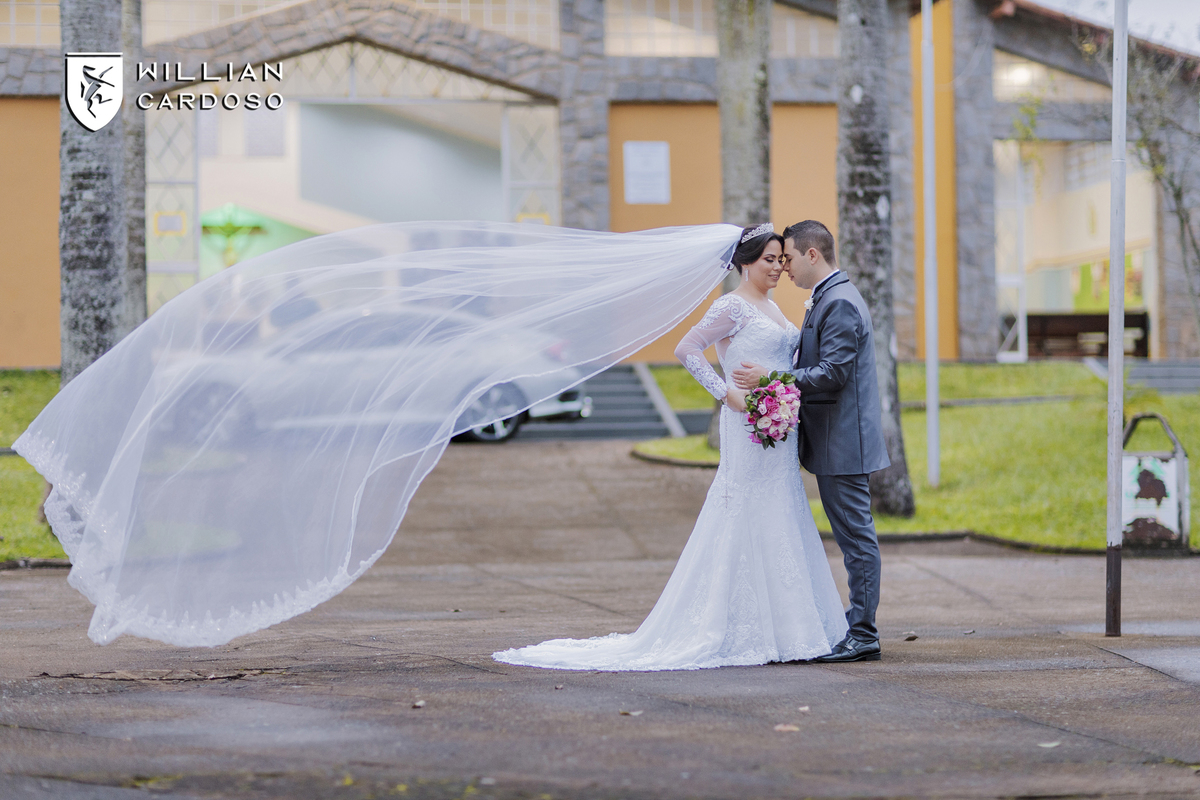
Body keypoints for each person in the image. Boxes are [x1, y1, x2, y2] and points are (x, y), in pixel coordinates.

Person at [493, 224, 848, 671]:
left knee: (782, 508)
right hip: (745, 424)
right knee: (744, 509)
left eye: (782, 259)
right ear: (744, 263)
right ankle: (736, 625)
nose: (778, 267)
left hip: (778, 426)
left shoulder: (775, 308)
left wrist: (782, 394)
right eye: (769, 260)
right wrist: (727, 394)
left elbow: (783, 360)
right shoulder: (731, 307)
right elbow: (687, 348)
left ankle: (792, 626)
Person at [731, 220, 890, 663]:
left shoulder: (838, 302)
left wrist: (771, 379)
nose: (786, 267)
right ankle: (859, 623)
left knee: (856, 540)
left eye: (790, 258)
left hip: (844, 442)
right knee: (853, 538)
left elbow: (833, 373)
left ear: (812, 255)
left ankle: (863, 633)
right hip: (835, 441)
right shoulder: (829, 297)